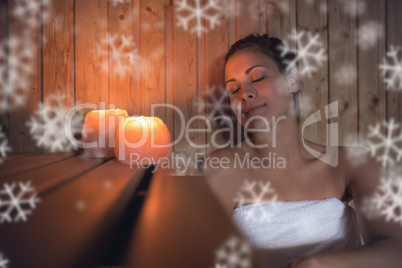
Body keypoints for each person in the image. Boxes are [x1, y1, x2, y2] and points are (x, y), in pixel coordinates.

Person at [201, 34, 402, 267]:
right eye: (233, 89)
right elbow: (199, 255)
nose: (244, 93)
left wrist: (315, 264)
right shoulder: (223, 166)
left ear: (293, 81)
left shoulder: (351, 163)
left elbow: (396, 249)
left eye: (258, 77)